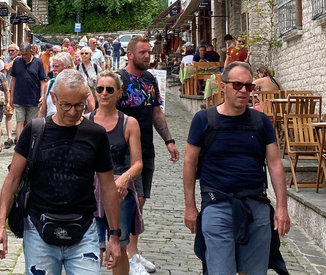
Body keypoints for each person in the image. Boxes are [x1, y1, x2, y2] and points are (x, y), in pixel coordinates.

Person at [0, 70, 122, 274]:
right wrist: (0, 226)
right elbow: (12, 179)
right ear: (53, 98)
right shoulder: (35, 131)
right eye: (66, 105)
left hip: (84, 230)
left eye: (79, 105)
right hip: (38, 230)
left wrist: (113, 235)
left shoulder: (96, 134)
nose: (72, 111)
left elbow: (107, 186)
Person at [183, 61, 290, 275]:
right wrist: (190, 206)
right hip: (217, 204)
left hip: (256, 205)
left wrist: (282, 207)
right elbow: (190, 162)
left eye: (249, 86)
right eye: (237, 85)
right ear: (223, 87)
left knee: (254, 272)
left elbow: (275, 163)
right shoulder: (204, 120)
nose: (244, 91)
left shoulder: (261, 122)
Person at [116, 36, 179, 274]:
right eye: (142, 52)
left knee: (140, 202)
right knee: (133, 201)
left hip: (147, 148)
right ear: (130, 54)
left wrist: (169, 141)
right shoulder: (118, 81)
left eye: (148, 52)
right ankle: (128, 256)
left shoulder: (150, 79)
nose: (147, 56)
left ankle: (133, 252)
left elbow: (156, 113)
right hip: (125, 152)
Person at [89, 70, 144, 275]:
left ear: (119, 93)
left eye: (109, 89)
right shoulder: (86, 121)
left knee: (119, 247)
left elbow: (138, 163)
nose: (104, 93)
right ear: (94, 92)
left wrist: (125, 178)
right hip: (90, 192)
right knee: (89, 245)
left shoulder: (129, 123)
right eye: (100, 89)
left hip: (119, 192)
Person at [9, 42, 48, 140]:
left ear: (31, 51)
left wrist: (43, 95)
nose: (23, 56)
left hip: (33, 97)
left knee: (31, 123)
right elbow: (13, 80)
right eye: (21, 54)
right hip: (19, 97)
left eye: (25, 54)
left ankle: (30, 144)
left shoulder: (38, 62)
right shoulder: (17, 62)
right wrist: (11, 96)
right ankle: (19, 143)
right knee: (19, 121)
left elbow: (43, 81)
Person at [40, 51, 75, 118]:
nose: (53, 69)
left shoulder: (79, 85)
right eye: (52, 66)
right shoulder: (49, 85)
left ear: (68, 67)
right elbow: (42, 112)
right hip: (51, 125)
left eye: (56, 66)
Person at [2, 43, 20, 147]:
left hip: (19, 90)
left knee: (20, 114)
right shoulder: (7, 59)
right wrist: (14, 60)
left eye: (12, 50)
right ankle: (9, 137)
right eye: (9, 50)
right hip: (8, 89)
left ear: (17, 51)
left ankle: (18, 136)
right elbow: (6, 68)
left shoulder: (22, 60)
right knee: (8, 113)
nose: (10, 52)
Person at [77, 47, 100, 112]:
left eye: (86, 53)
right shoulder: (76, 68)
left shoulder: (96, 67)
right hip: (81, 97)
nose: (84, 55)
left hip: (94, 97)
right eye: (82, 53)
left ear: (90, 55)